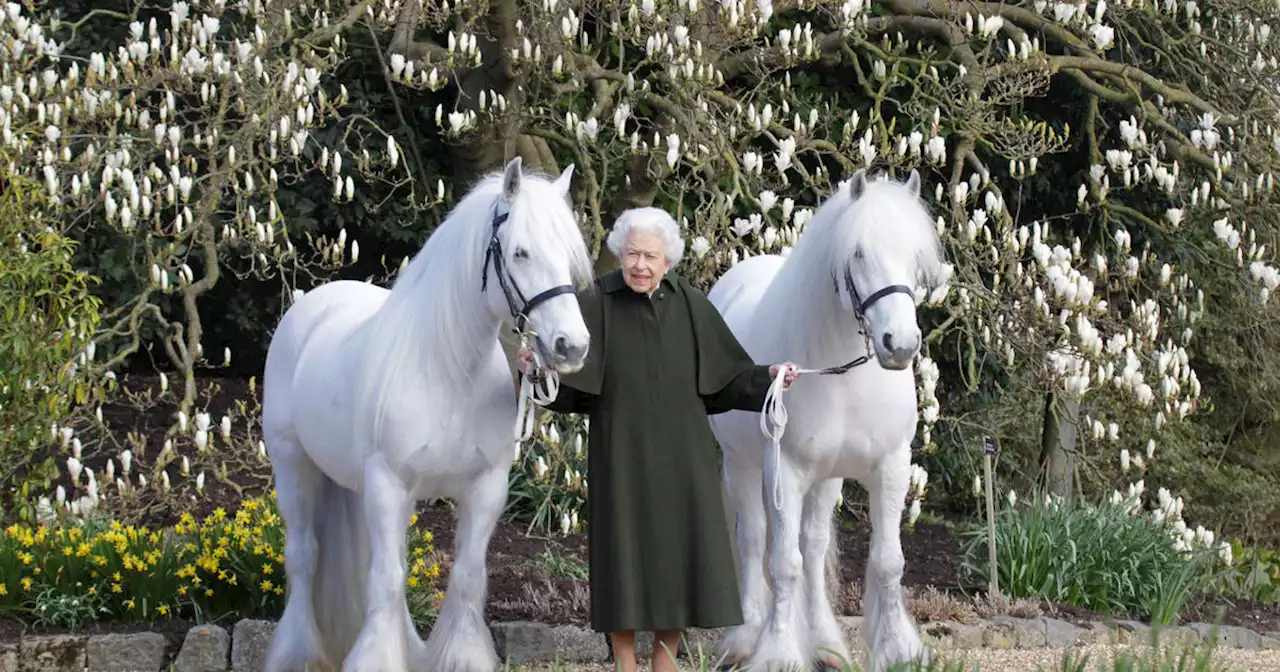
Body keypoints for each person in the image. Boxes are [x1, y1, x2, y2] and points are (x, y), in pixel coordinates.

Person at [516, 206, 799, 672]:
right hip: (620, 457)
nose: (640, 265)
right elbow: (569, 390)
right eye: (632, 255)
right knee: (622, 566)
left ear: (668, 260)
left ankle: (665, 667)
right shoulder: (597, 302)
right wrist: (536, 374)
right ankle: (627, 666)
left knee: (677, 566)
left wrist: (769, 378)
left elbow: (726, 380)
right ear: (619, 255)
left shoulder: (689, 303)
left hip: (683, 460)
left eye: (650, 256)